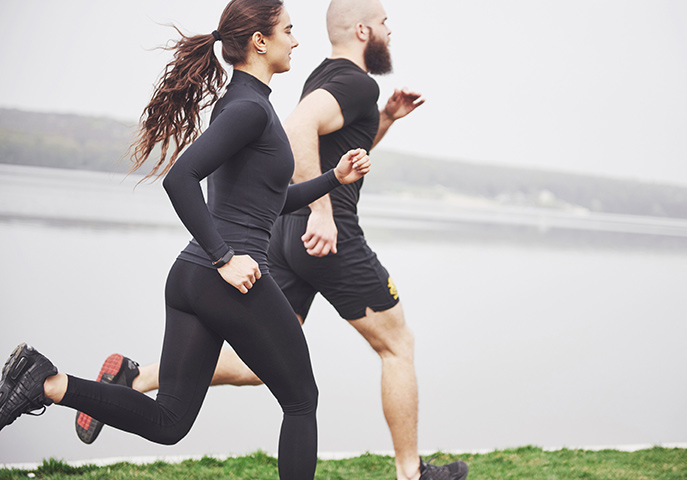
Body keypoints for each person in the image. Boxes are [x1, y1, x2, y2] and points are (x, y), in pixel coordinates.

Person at [74, 1, 468, 479]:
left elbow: (282, 177)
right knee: (387, 350)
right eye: (288, 30)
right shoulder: (344, 84)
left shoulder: (301, 84)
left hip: (267, 242)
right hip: (309, 242)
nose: (296, 40)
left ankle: (122, 380)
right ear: (363, 30)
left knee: (250, 373)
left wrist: (362, 145)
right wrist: (312, 217)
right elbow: (289, 132)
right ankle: (411, 473)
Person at [0, 1, 373, 478]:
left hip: (192, 280)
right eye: (288, 30)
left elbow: (268, 201)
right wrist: (225, 258)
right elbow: (180, 179)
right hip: (227, 278)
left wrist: (332, 180)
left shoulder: (245, 106)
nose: (296, 41)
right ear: (260, 41)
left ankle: (46, 382)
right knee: (302, 400)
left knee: (170, 420)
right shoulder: (249, 110)